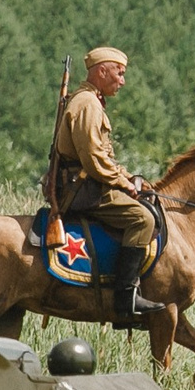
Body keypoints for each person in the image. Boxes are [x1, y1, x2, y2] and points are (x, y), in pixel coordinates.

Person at [51, 45, 160, 316]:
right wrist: (125, 185)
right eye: (119, 73)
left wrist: (129, 177)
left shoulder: (91, 101)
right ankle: (126, 299)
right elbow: (95, 162)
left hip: (90, 183)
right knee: (143, 219)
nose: (122, 81)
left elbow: (103, 158)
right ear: (102, 71)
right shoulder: (87, 104)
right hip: (85, 190)